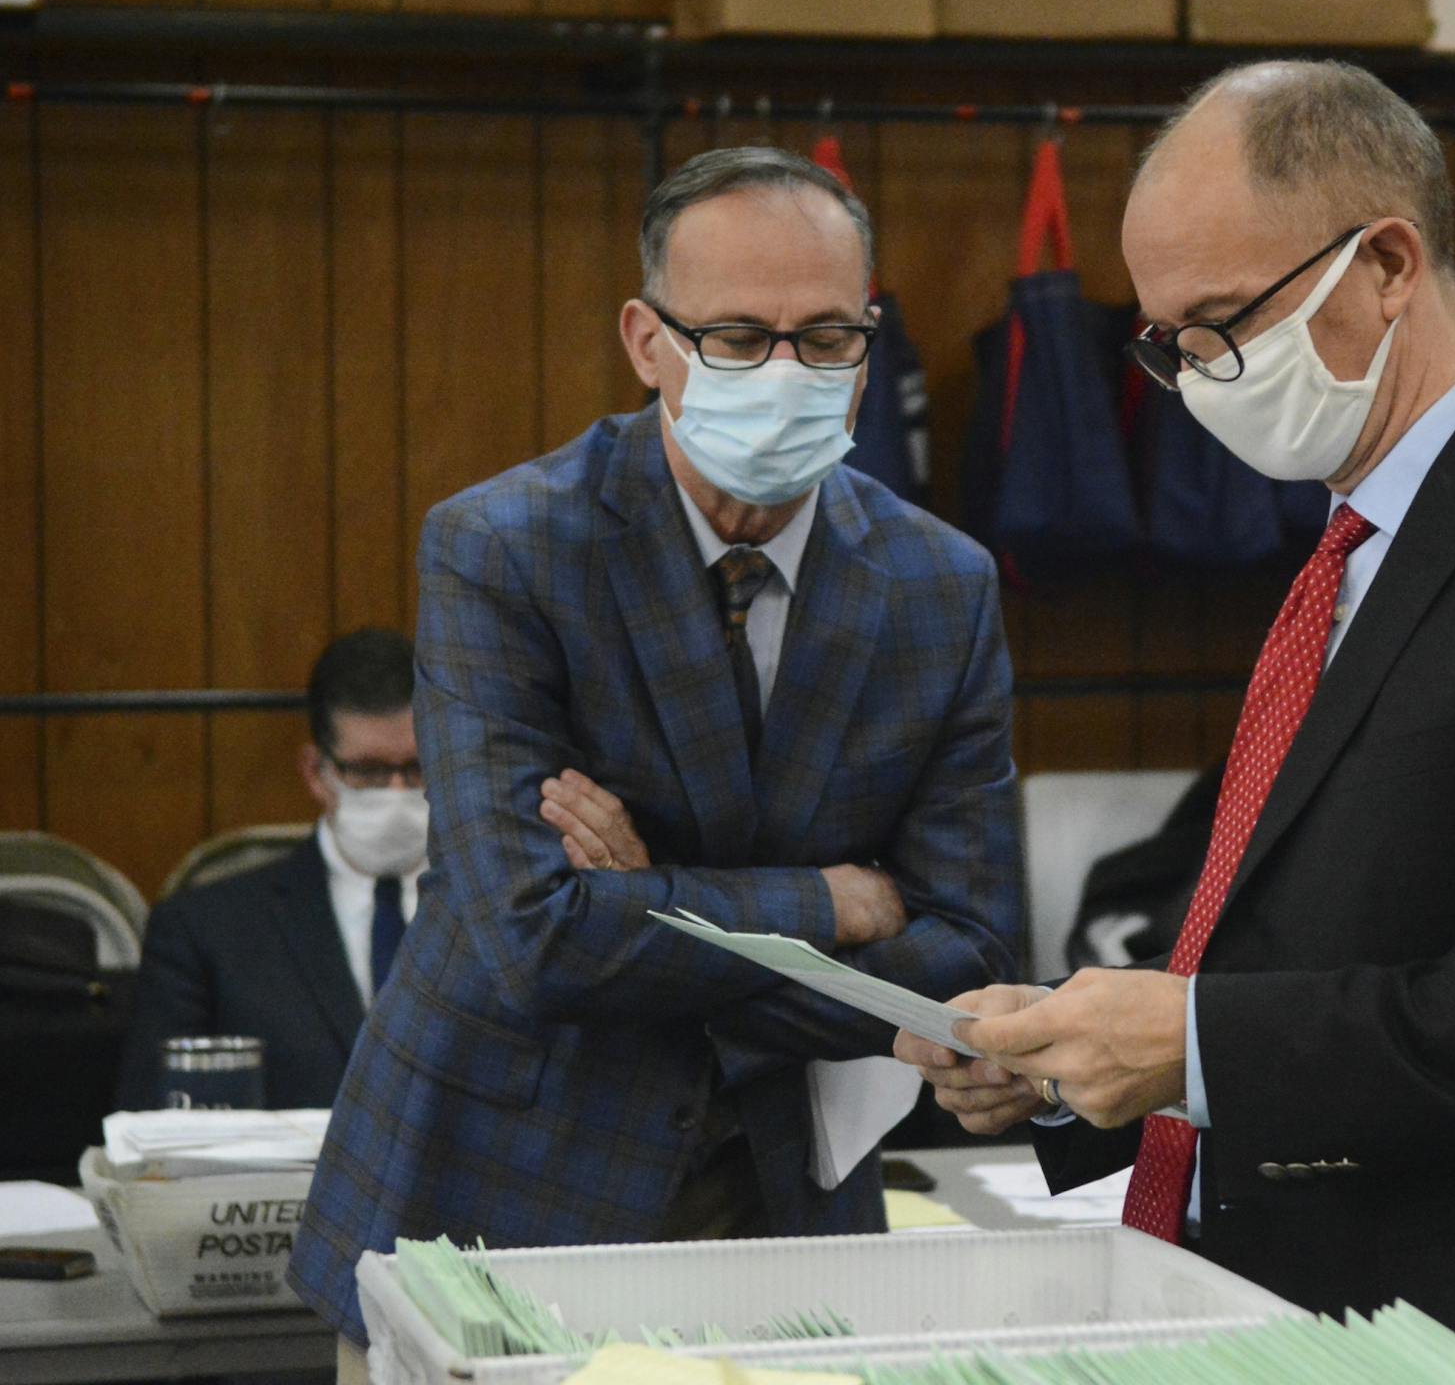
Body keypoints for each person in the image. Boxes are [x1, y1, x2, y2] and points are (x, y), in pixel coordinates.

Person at [898, 60, 1455, 1385]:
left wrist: (1195, 1044)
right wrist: (1074, 1052)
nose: (1199, 377)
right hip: (1306, 1298)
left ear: (1386, 263)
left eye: (1223, 322)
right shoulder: (1353, 545)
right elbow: (1305, 929)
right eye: (1166, 344)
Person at [287, 147, 1023, 1368]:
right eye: (736, 337)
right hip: (493, 1191)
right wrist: (832, 900)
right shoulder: (505, 547)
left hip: (783, 1203)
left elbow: (970, 941)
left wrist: (646, 898)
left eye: (827, 337)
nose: (787, 372)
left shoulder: (941, 584)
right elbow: (534, 936)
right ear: (647, 339)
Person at [116, 628, 424, 1111]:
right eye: (367, 771)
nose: (397, 791)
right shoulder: (205, 931)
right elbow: (149, 1127)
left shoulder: (510, 912)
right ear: (315, 772)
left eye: (418, 768)